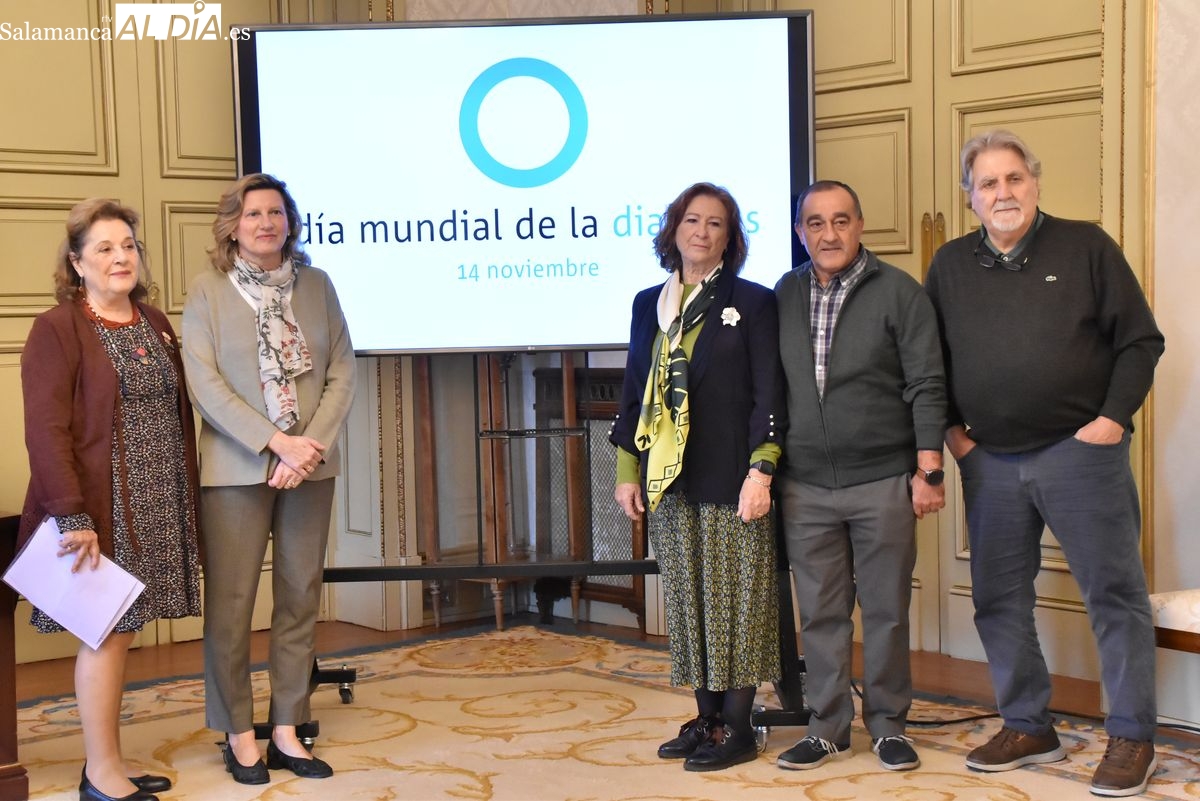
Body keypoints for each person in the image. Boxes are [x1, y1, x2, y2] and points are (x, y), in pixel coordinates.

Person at [925, 130, 1164, 798]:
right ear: (970, 198)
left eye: (1014, 179)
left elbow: (1141, 341)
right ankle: (1028, 722)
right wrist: (954, 436)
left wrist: (1110, 420)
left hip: (1078, 454)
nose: (1003, 192)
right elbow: (928, 363)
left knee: (1113, 595)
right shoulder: (947, 265)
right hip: (989, 459)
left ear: (1035, 183)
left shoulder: (1086, 245)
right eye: (988, 183)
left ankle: (1132, 736)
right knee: (998, 599)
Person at [19, 199, 202, 801]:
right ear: (76, 263)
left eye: (128, 244)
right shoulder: (57, 328)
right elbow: (46, 431)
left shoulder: (153, 320)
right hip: (100, 509)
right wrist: (73, 515)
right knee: (107, 632)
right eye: (104, 247)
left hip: (157, 500)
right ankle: (100, 775)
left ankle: (109, 762)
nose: (121, 256)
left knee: (125, 632)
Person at [182, 173, 355, 785]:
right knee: (231, 604)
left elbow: (341, 369)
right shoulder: (207, 291)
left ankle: (287, 725)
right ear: (233, 224)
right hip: (235, 468)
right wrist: (274, 441)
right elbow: (205, 385)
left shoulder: (318, 285)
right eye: (253, 213)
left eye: (276, 212)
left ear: (290, 221)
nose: (266, 223)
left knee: (299, 594)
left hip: (311, 464)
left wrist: (305, 450)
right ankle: (236, 730)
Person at [610, 182, 786, 772]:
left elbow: (769, 390)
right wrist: (627, 470)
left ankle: (738, 725)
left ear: (730, 237)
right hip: (669, 479)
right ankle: (707, 718)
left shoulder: (754, 302)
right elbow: (636, 393)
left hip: (734, 474)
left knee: (738, 604)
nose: (702, 232)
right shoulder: (647, 304)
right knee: (690, 604)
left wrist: (762, 468)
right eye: (692, 220)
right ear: (674, 230)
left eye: (716, 223)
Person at [772, 181, 946, 773]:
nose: (829, 234)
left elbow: (926, 383)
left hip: (883, 480)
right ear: (801, 233)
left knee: (886, 608)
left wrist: (929, 468)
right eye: (816, 224)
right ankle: (827, 727)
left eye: (840, 220)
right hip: (805, 485)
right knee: (820, 612)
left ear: (861, 224)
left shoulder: (899, 293)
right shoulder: (783, 294)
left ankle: (890, 726)